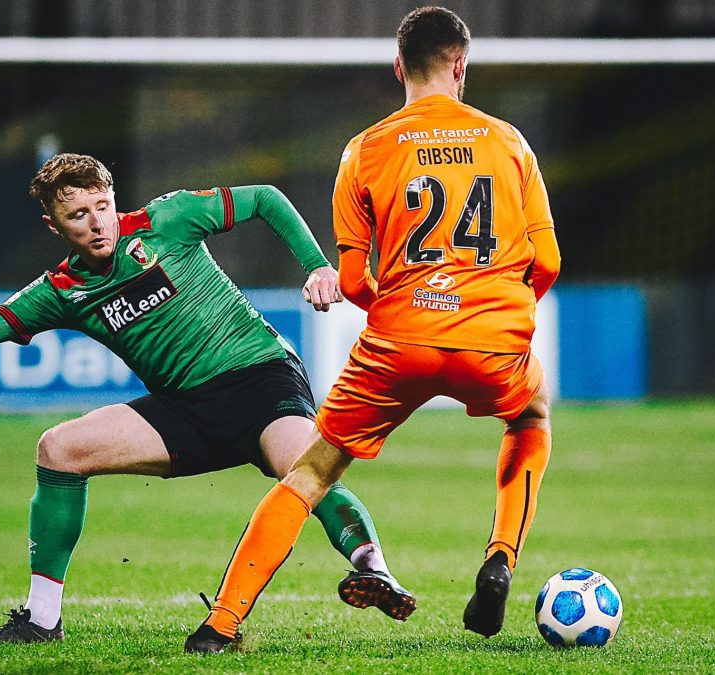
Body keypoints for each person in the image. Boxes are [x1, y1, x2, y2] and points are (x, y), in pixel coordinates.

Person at [0, 152, 416, 646]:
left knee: (303, 469)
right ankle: (41, 618)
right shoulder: (60, 290)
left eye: (101, 207)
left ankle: (374, 571)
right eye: (76, 215)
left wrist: (317, 265)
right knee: (60, 449)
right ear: (53, 225)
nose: (95, 223)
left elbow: (264, 196)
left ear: (114, 200)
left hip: (259, 378)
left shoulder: (168, 219)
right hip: (182, 408)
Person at [186, 6, 561, 653]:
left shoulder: (364, 150)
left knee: (310, 473)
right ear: (460, 65)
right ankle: (500, 555)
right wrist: (494, 310)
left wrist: (414, 310)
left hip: (398, 340)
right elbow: (548, 262)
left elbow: (356, 282)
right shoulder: (510, 142)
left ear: (398, 67)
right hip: (494, 338)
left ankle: (221, 624)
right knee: (530, 417)